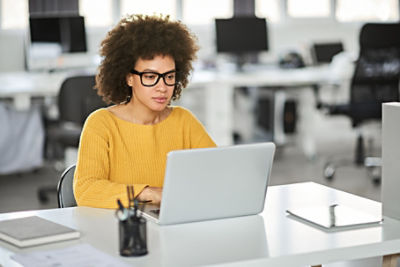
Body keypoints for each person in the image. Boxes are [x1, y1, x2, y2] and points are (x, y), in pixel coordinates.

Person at [73, 14, 216, 209]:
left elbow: (217, 172)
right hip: (122, 229)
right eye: (150, 76)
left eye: (169, 76)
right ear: (129, 78)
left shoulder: (183, 120)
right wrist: (147, 193)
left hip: (175, 224)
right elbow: (86, 190)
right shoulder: (101, 124)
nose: (162, 87)